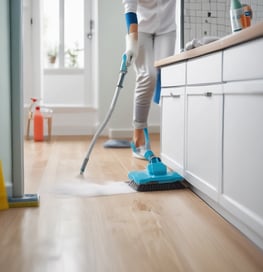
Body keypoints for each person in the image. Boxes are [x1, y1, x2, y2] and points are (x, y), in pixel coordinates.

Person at [122, 0, 177, 159]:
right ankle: (138, 136)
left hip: (167, 27)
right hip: (142, 28)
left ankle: (171, 137)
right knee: (148, 76)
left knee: (166, 78)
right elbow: (130, 8)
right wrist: (132, 42)